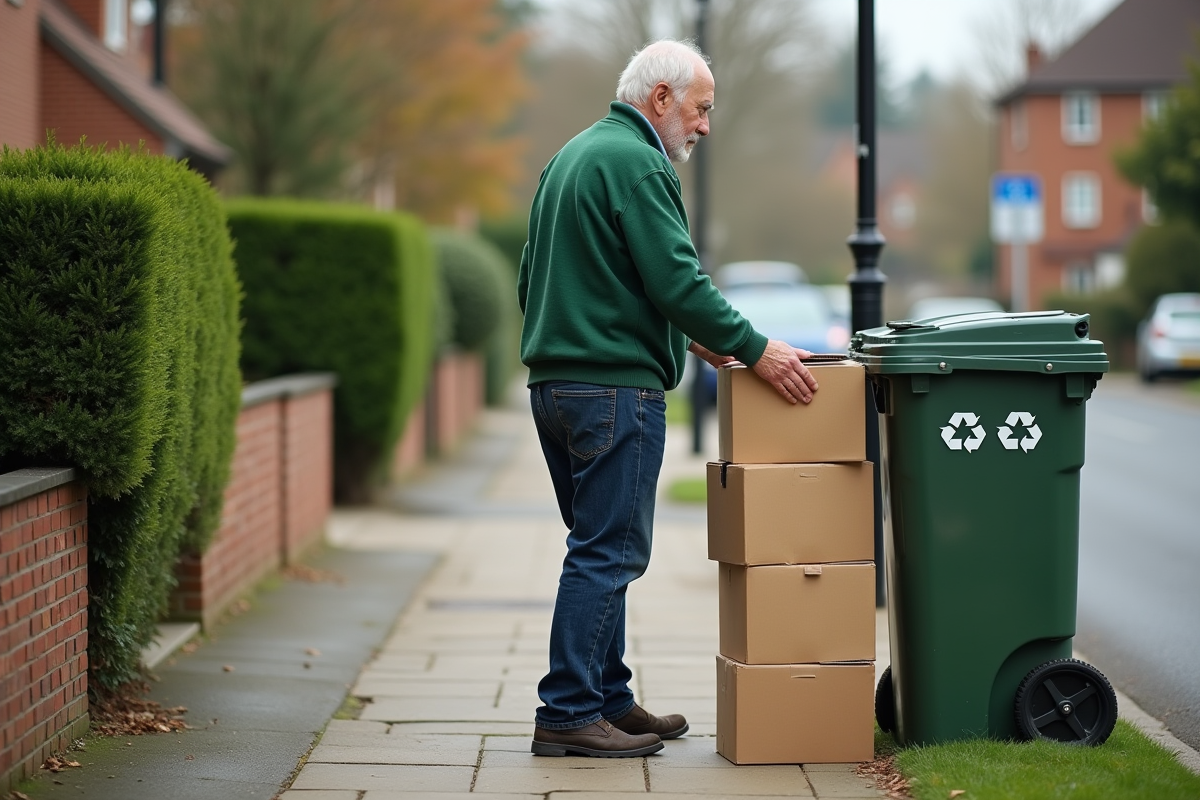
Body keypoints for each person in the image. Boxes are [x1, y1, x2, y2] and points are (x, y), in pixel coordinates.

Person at [518, 38, 819, 758]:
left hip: (555, 388)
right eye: (701, 108)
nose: (705, 126)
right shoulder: (640, 163)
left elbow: (546, 277)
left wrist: (684, 340)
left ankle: (607, 699)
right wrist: (757, 349)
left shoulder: (573, 157)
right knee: (607, 554)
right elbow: (678, 280)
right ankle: (566, 714)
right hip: (615, 394)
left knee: (595, 546)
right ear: (660, 99)